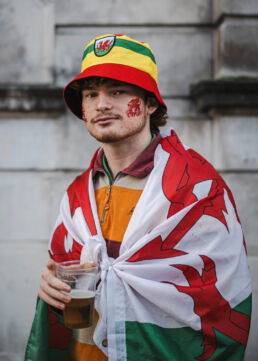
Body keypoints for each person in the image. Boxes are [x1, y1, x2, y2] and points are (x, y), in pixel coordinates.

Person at [25, 34, 252, 361]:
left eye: (117, 91)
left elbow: (224, 300)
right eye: (91, 94)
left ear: (150, 103)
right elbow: (64, 277)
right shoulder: (77, 194)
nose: (101, 104)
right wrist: (52, 289)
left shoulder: (197, 188)